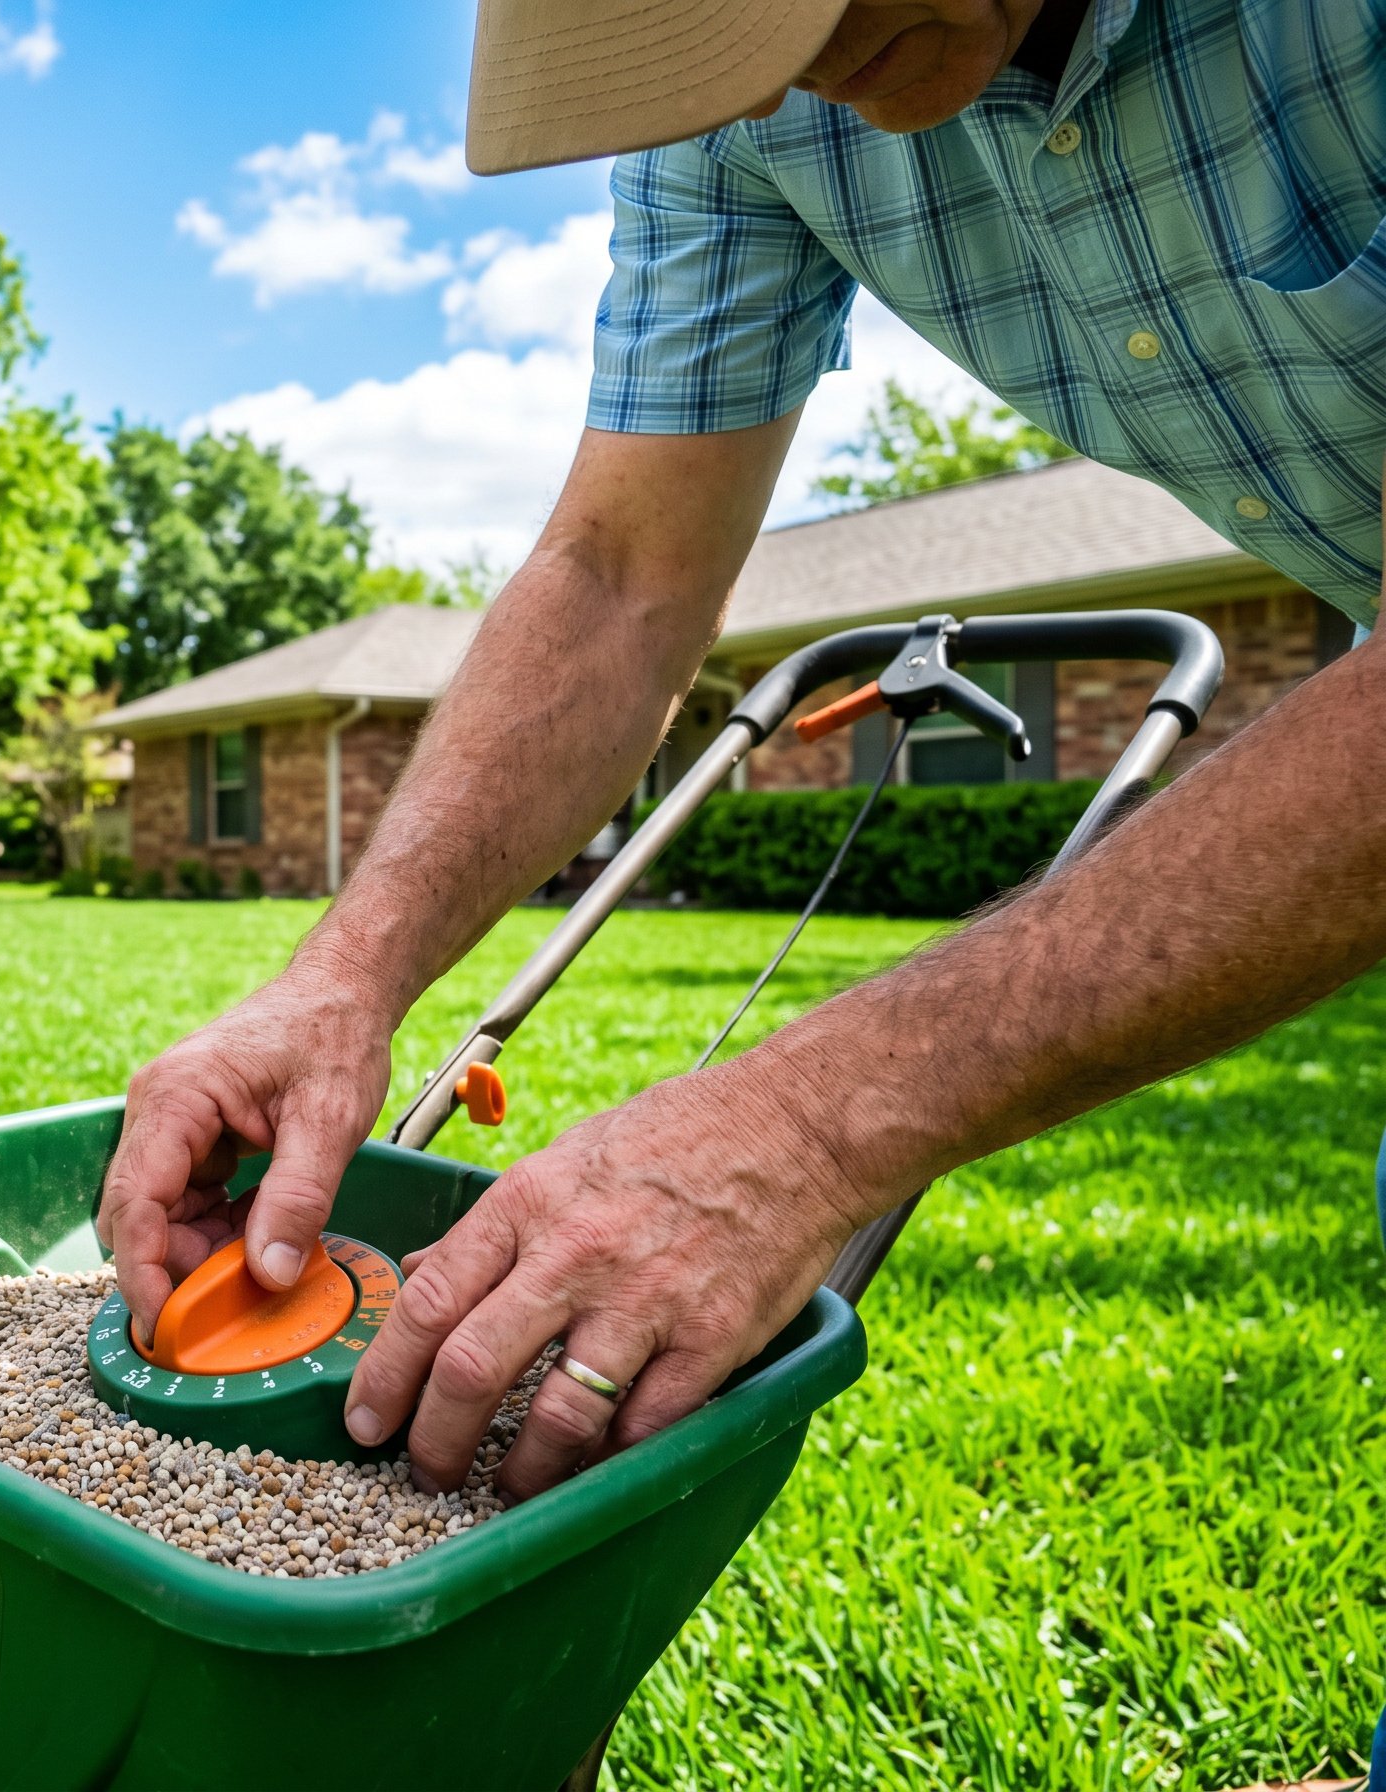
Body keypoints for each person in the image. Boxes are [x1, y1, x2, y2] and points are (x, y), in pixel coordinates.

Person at [98, 0, 1384, 1773]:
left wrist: (812, 1118)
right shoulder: (740, 88)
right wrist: (345, 973)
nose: (785, 75)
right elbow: (624, 566)